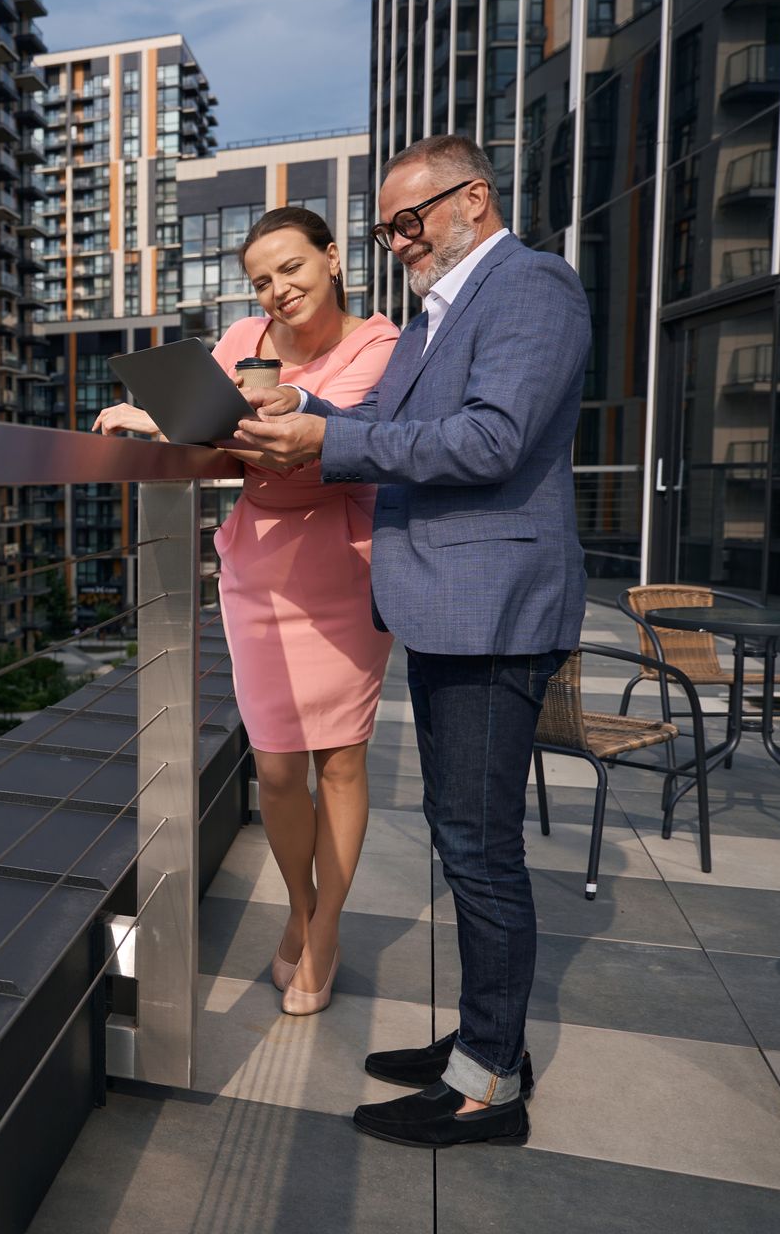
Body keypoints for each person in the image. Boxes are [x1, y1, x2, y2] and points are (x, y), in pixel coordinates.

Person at [233, 134, 590, 1149]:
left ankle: (487, 1089)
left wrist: (327, 439)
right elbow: (381, 410)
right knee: (462, 835)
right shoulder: (446, 307)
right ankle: (486, 1042)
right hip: (448, 603)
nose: (396, 241)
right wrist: (298, 403)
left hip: (490, 605)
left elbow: (490, 439)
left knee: (479, 850)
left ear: (472, 198)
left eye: (408, 220)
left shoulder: (531, 285)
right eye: (386, 227)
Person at [93, 207, 399, 1016]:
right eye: (261, 279)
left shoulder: (379, 342)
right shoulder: (240, 341)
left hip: (344, 561)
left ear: (332, 259)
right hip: (259, 561)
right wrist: (158, 420)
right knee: (274, 765)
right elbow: (214, 440)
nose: (277, 291)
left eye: (292, 269)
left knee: (339, 760)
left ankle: (324, 929)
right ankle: (297, 909)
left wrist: (211, 421)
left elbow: (306, 438)